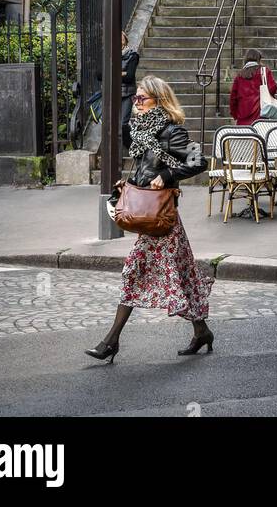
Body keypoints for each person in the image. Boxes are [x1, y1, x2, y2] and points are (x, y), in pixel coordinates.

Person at [85, 76, 212, 363]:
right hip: (155, 219)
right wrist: (128, 185)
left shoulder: (171, 131)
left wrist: (167, 176)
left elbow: (199, 161)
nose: (136, 103)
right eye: (136, 98)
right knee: (181, 276)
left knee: (135, 273)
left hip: (163, 220)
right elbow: (145, 168)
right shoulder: (141, 131)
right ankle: (201, 330)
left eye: (142, 98)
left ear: (159, 100)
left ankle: (110, 341)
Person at [229, 48, 277, 126]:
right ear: (258, 59)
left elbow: (233, 99)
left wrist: (235, 115)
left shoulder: (239, 76)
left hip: (243, 120)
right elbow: (273, 88)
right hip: (261, 118)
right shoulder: (264, 72)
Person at [120, 32, 139, 150]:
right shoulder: (108, 54)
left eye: (121, 37)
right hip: (111, 93)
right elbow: (99, 75)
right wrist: (122, 72)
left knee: (123, 124)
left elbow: (129, 77)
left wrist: (112, 71)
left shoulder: (133, 55)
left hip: (127, 93)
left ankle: (132, 146)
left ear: (126, 40)